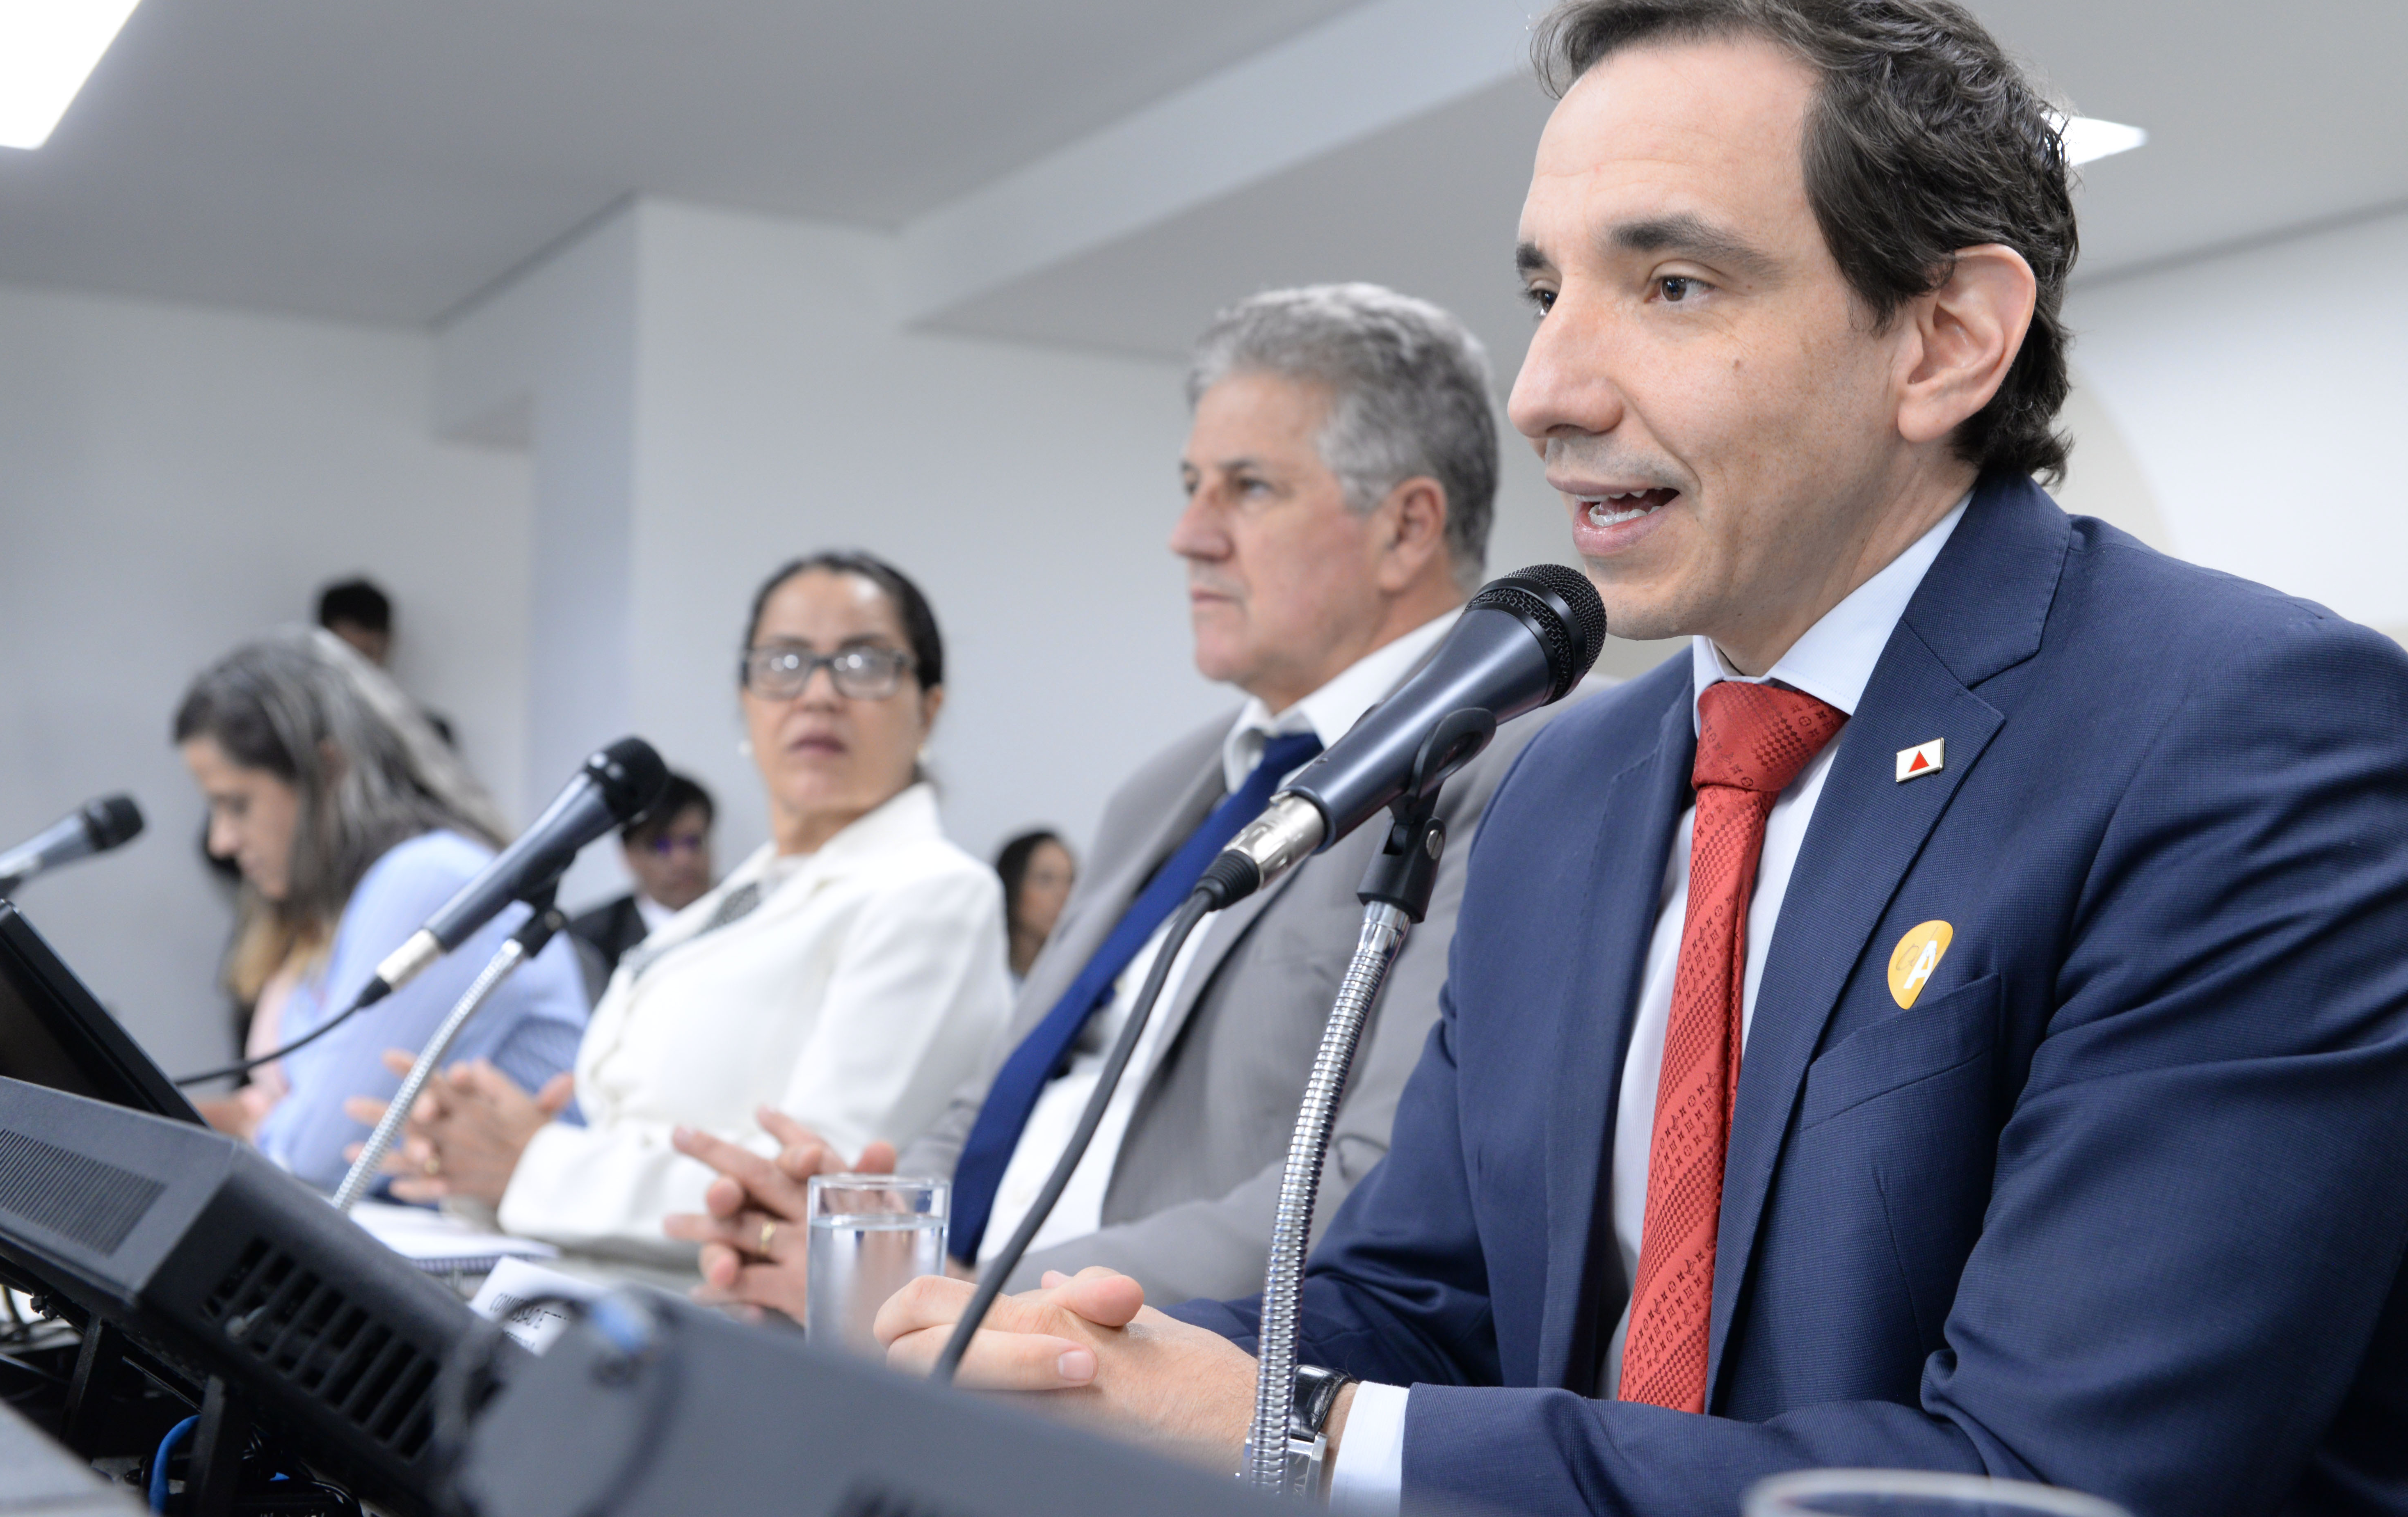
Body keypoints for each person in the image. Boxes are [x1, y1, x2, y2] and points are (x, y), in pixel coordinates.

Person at [870, 0, 2408, 1517]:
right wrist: (1086, 1359)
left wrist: (1295, 1430)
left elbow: (2040, 1485)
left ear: (1943, 341)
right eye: (1543, 294)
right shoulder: (1569, 776)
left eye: (1671, 285)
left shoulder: (2248, 740)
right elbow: (1424, 1305)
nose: (1544, 390)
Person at [665, 282, 1597, 1315]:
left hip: (1137, 1360)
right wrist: (862, 1232)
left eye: (1246, 489)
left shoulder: (1530, 764)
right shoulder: (1167, 783)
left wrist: (965, 1299)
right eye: (1192, 485)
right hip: (952, 1329)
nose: (1187, 534)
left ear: (1406, 528)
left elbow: (1374, 1186)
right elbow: (998, 1096)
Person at [354, 552, 1012, 1270]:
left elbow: (823, 1186)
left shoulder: (937, 892)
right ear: (746, 701)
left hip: (742, 1318)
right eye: (784, 663)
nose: (819, 693)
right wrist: (481, 1156)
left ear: (929, 709)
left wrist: (536, 1166)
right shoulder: (744, 894)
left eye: (863, 663)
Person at [173, 628, 590, 1188]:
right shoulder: (344, 900)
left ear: (327, 772)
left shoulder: (425, 878)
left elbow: (321, 1156)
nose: (221, 841)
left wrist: (271, 1123)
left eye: (236, 804)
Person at [566, 772, 717, 1001]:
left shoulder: (751, 915)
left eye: (693, 842)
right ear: (629, 855)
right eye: (661, 846)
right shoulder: (589, 943)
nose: (683, 860)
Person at [317, 576, 455, 745]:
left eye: (366, 655)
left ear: (388, 645)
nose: (356, 668)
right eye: (344, 655)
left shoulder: (429, 733)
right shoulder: (296, 733)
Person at [991, 828, 1072, 978]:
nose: (1065, 895)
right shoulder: (980, 974)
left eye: (1071, 881)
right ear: (1012, 886)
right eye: (1045, 879)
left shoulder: (1076, 980)